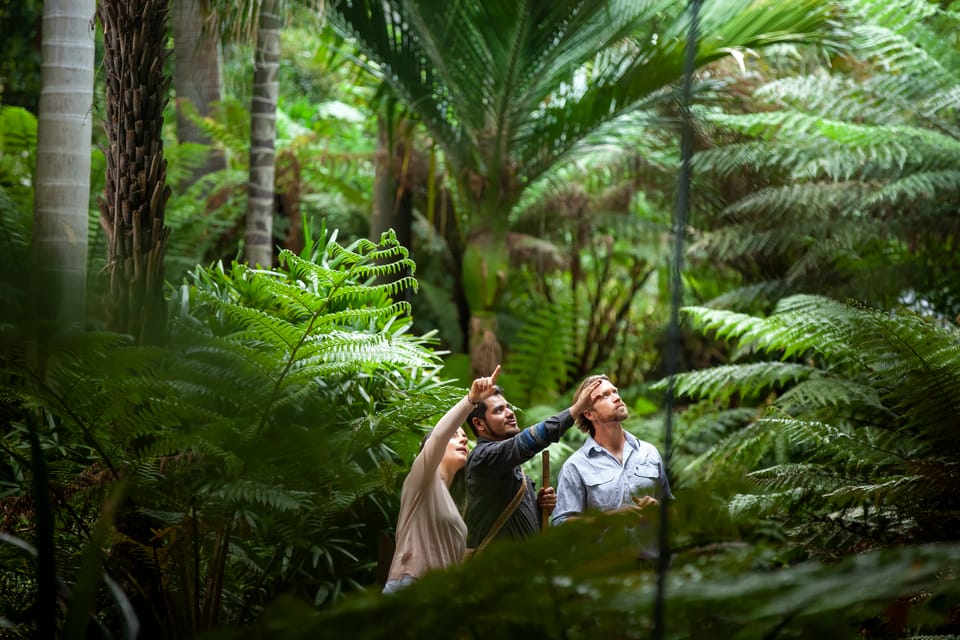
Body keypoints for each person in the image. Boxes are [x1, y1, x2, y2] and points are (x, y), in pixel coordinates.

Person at [382, 366, 502, 594]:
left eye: (465, 437)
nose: (463, 440)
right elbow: (439, 435)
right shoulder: (422, 480)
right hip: (410, 585)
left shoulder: (450, 499)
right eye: (455, 436)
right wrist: (470, 401)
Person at [463, 375, 602, 550]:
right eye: (499, 410)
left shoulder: (507, 463)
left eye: (508, 407)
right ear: (479, 424)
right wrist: (576, 410)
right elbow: (528, 441)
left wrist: (538, 507)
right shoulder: (483, 457)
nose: (510, 413)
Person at [551, 374, 672, 556]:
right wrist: (610, 519)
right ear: (589, 414)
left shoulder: (649, 453)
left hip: (652, 568)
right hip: (603, 570)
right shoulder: (575, 466)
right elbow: (561, 527)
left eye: (614, 391)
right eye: (604, 396)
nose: (616, 397)